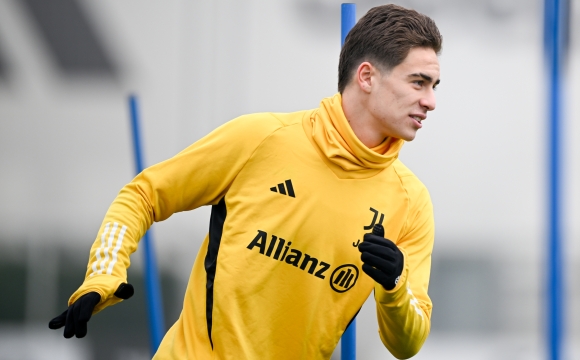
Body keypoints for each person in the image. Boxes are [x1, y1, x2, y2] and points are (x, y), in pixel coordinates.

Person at [49, 4, 442, 359]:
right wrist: (104, 273)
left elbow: (408, 344)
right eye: (418, 82)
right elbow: (143, 195)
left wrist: (394, 285)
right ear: (368, 76)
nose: (431, 101)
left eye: (433, 87)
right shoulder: (261, 139)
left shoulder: (410, 202)